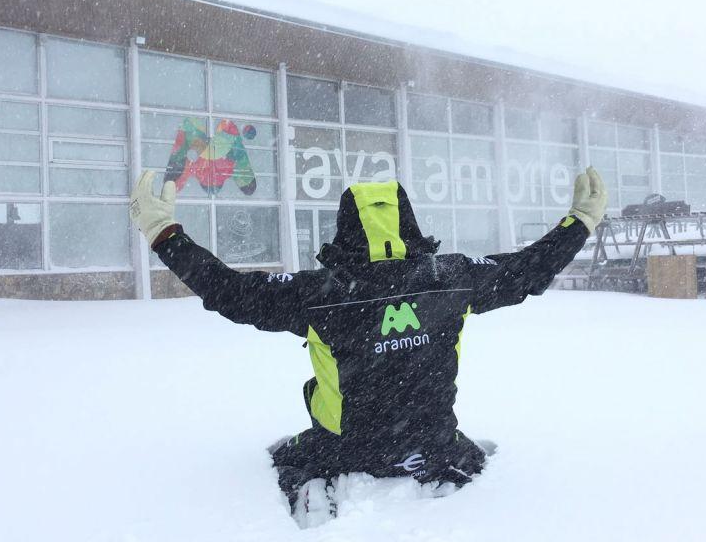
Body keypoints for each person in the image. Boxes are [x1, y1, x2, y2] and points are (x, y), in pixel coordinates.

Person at [130, 167, 607, 524]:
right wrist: (580, 222)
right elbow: (529, 269)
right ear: (409, 223)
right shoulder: (454, 278)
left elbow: (228, 292)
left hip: (344, 448)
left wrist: (164, 233)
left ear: (345, 229)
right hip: (430, 442)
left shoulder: (318, 294)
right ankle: (443, 480)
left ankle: (314, 484)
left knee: (294, 446)